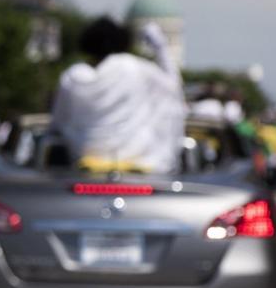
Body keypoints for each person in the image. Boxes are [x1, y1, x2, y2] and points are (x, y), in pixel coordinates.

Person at [50, 17, 185, 174]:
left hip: (84, 166)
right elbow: (173, 87)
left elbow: (58, 121)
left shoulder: (73, 76)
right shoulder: (133, 67)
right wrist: (160, 48)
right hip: (141, 166)